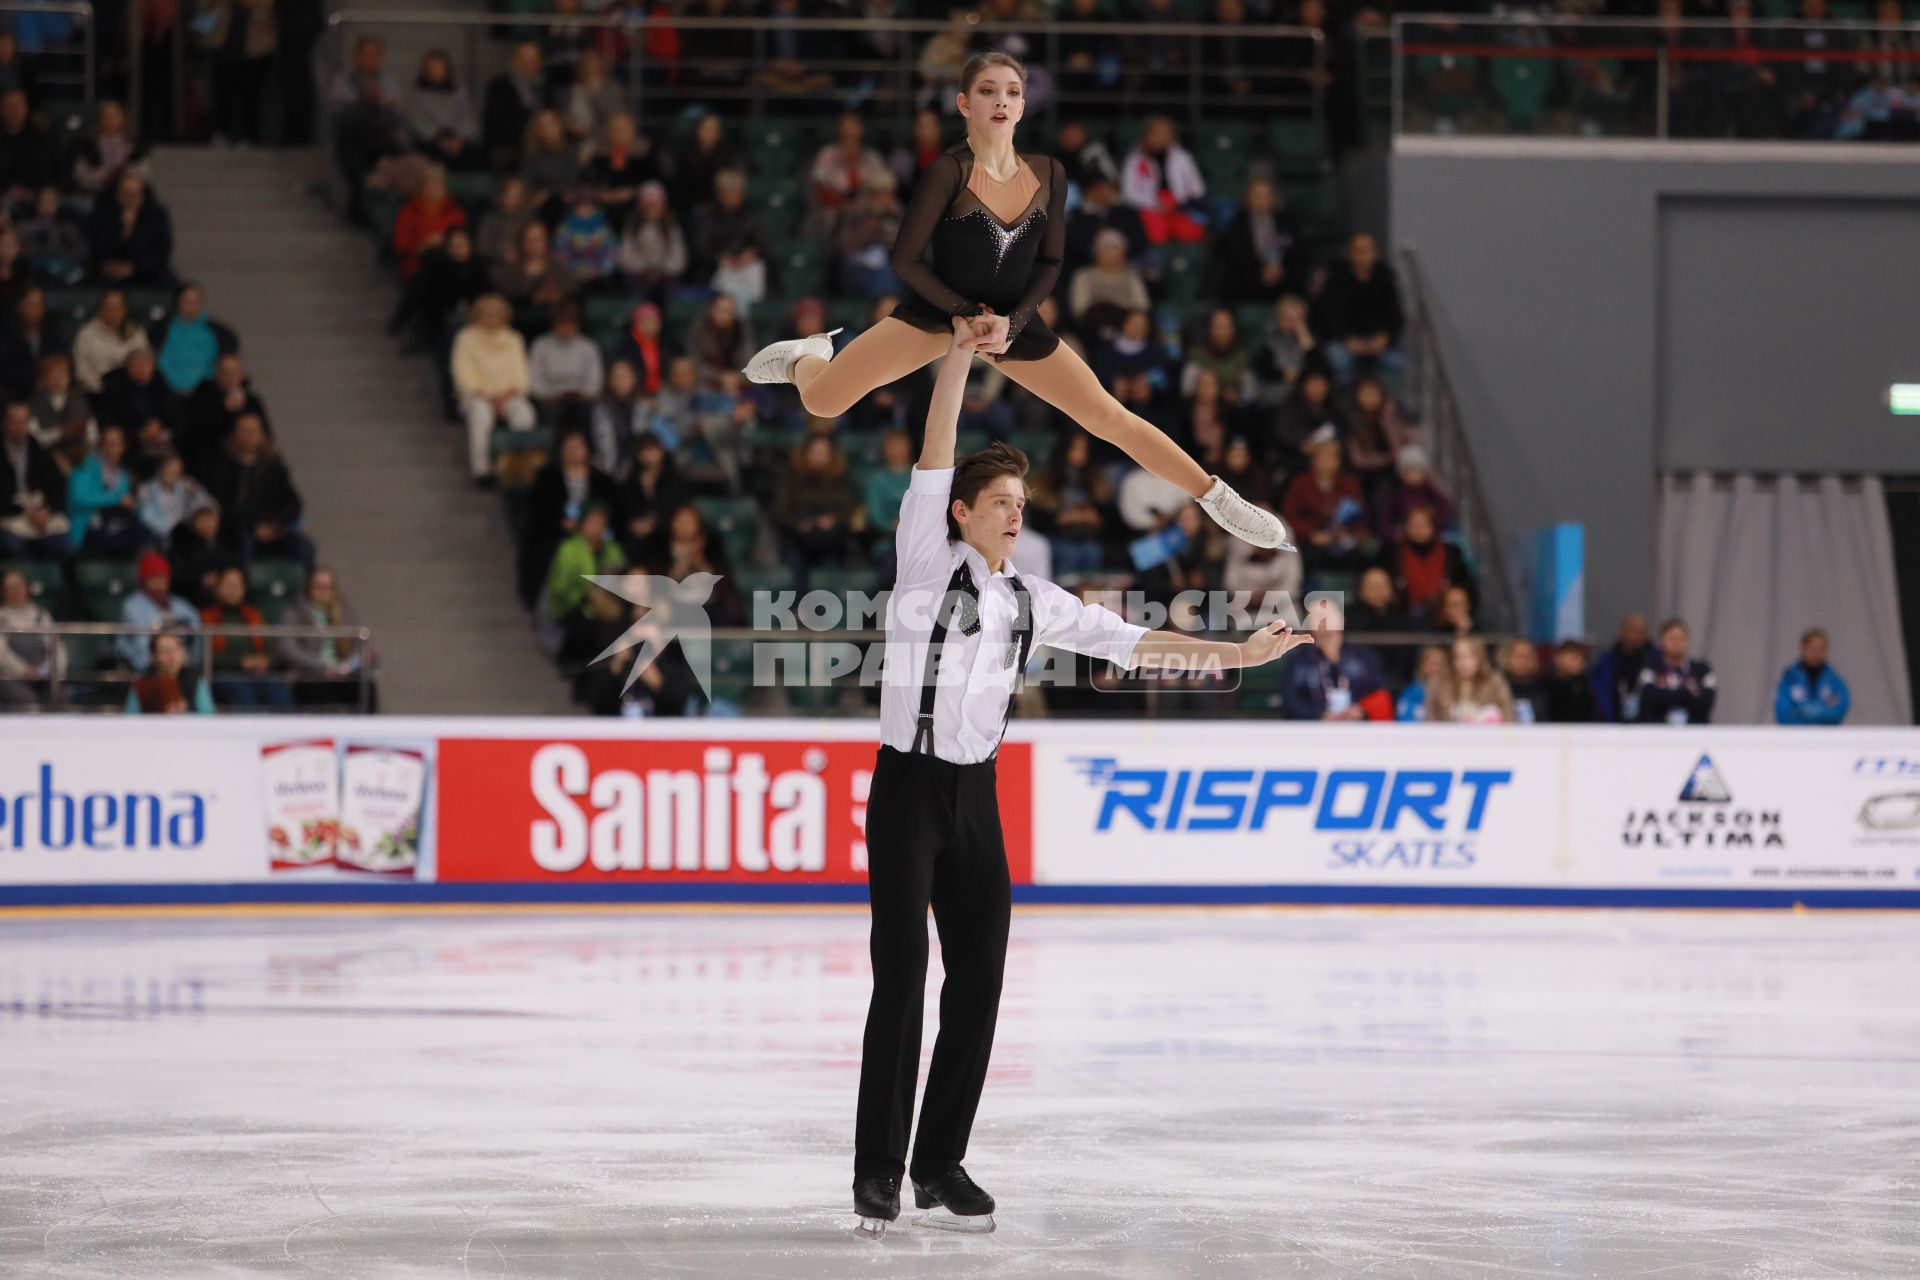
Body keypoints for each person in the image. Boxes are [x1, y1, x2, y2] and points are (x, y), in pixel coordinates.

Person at [851, 315, 1312, 1241]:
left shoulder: (1032, 599)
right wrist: (954, 352)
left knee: (978, 980)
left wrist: (1236, 652)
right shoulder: (922, 559)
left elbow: (1133, 641)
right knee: (901, 980)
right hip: (907, 792)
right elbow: (936, 445)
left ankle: (940, 1164)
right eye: (1001, 502)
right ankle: (878, 1173)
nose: (1017, 512)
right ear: (959, 512)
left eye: (1023, 500)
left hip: (975, 800)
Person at [742, 53, 1288, 554]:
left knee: (1107, 417)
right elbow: (905, 260)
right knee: (823, 404)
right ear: (964, 103)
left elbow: (1051, 264)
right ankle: (805, 357)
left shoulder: (1049, 172)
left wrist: (1013, 322)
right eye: (986, 91)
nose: (1000, 100)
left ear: (1024, 104)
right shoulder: (948, 171)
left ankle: (1218, 499)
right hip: (939, 312)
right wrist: (963, 314)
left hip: (1011, 321)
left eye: (1011, 91)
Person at [452, 294, 537, 482]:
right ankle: (482, 470)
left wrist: (506, 396)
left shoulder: (514, 339)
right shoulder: (466, 338)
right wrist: (487, 397)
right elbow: (462, 372)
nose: (490, 318)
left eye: (494, 314)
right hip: (477, 396)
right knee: (481, 415)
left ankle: (517, 468)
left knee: (524, 413)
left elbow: (521, 374)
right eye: (486, 314)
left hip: (508, 395)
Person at [201, 564, 292, 709]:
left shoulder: (254, 615)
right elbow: (205, 656)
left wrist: (265, 660)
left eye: (238, 585)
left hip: (257, 675)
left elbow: (273, 648)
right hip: (223, 674)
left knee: (276, 691)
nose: (233, 590)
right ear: (217, 588)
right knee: (242, 692)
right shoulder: (207, 617)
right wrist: (240, 662)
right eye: (229, 585)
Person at [283, 565, 370, 708]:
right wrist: (322, 667)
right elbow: (289, 648)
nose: (323, 592)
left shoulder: (345, 613)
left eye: (327, 587)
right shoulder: (295, 613)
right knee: (317, 690)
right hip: (308, 674)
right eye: (319, 587)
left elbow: (358, 645)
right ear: (309, 589)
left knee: (366, 688)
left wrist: (347, 665)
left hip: (342, 674)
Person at [1281, 608, 1390, 721]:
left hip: (1359, 727)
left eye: (1328, 614)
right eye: (1316, 616)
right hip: (1314, 730)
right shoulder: (1298, 661)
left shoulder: (1363, 657)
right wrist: (1318, 716)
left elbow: (1380, 692)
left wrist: (1361, 710)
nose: (1323, 620)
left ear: (1342, 619)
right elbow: (1290, 699)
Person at [0, 399, 70, 560]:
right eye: (14, 422)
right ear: (5, 423)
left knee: (64, 546)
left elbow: (58, 487)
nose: (19, 427)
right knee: (13, 547)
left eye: (23, 422)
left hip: (41, 515)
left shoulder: (39, 451)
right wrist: (23, 512)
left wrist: (46, 509)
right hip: (9, 517)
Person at [118, 549, 202, 671]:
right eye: (154, 578)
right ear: (144, 580)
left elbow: (197, 634)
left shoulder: (182, 606)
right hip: (145, 670)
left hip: (182, 670)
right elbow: (135, 646)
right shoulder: (132, 606)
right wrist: (153, 663)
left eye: (162, 578)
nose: (159, 583)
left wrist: (185, 661)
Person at [0, 565, 63, 707]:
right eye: (10, 587)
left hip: (43, 676)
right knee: (27, 702)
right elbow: (1, 655)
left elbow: (56, 647)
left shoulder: (41, 615)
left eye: (20, 585)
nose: (16, 590)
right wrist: (24, 671)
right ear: (3, 591)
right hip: (9, 678)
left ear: (27, 587)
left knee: (59, 697)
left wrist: (49, 670)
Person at [1635, 618, 1716, 725]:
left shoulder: (1703, 669)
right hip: (1657, 733)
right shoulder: (1650, 669)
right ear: (1662, 641)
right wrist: (1687, 693)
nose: (1677, 643)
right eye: (1672, 638)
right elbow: (1648, 699)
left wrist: (1664, 693)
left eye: (1681, 638)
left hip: (1693, 733)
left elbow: (1705, 702)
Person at [1426, 636, 1516, 724]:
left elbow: (1508, 715)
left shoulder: (1495, 682)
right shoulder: (1439, 683)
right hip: (1447, 736)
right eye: (1458, 657)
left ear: (1480, 657)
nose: (1464, 662)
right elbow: (1430, 718)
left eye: (1470, 656)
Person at [125, 629, 214, 714]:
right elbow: (130, 719)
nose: (172, 657)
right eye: (165, 651)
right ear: (154, 657)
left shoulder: (196, 681)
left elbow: (208, 717)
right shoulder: (142, 685)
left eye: (176, 649)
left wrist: (185, 714)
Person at [1774, 626, 1850, 725]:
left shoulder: (1835, 681)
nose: (1816, 654)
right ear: (1803, 649)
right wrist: (1822, 709)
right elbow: (1783, 714)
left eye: (1821, 650)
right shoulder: (1789, 680)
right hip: (1796, 737)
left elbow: (1837, 712)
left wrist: (1803, 710)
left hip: (1826, 737)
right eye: (1813, 649)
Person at [1592, 611, 1654, 722]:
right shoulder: (1607, 661)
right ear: (1621, 632)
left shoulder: (1655, 660)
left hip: (1648, 728)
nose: (1637, 636)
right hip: (1613, 725)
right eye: (1632, 631)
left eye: (1641, 632)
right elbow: (1601, 696)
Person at [1545, 640, 1599, 723]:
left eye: (1582, 658)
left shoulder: (1586, 686)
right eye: (1573, 658)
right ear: (1558, 659)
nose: (1578, 662)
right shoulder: (1547, 686)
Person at [1499, 639, 1549, 725]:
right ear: (1507, 657)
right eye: (1519, 656)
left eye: (1529, 656)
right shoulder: (1498, 685)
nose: (1524, 660)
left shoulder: (1544, 686)